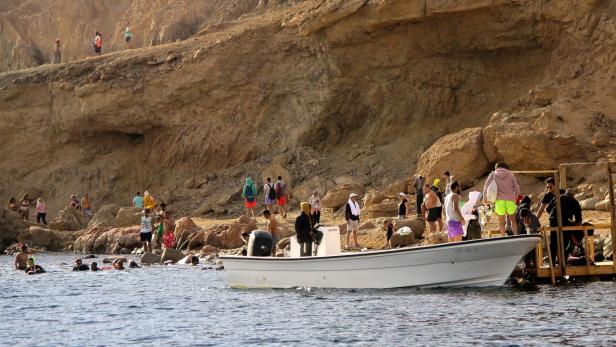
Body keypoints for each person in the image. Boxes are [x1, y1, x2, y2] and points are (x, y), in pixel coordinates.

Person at [483, 162, 520, 236]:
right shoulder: (510, 174)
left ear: (497, 167)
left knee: (501, 221)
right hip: (510, 200)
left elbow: (485, 186)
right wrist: (514, 199)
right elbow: (517, 189)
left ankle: (503, 236)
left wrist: (484, 197)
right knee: (513, 221)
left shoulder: (493, 174)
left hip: (499, 201)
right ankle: (516, 235)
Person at [547, 189, 583, 264]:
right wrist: (574, 223)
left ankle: (552, 262)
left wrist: (554, 214)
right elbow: (579, 218)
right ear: (573, 195)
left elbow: (548, 209)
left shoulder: (556, 197)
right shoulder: (574, 201)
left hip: (552, 221)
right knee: (566, 242)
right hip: (564, 222)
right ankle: (562, 261)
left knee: (553, 242)